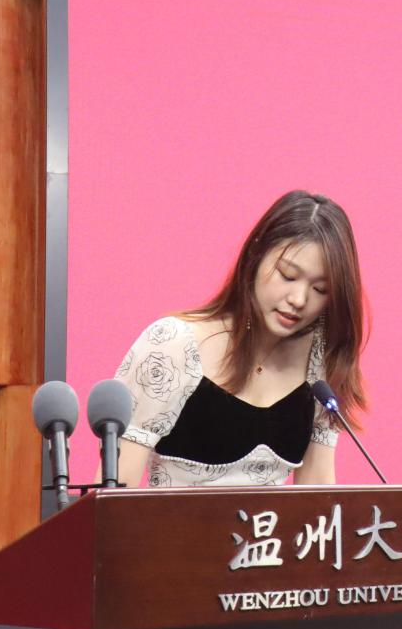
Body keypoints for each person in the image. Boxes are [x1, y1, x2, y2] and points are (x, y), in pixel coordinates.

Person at [112, 190, 367, 488]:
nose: (298, 299)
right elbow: (116, 490)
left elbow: (317, 492)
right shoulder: (173, 344)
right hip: (171, 520)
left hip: (273, 522)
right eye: (287, 275)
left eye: (320, 289)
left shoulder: (319, 361)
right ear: (255, 256)